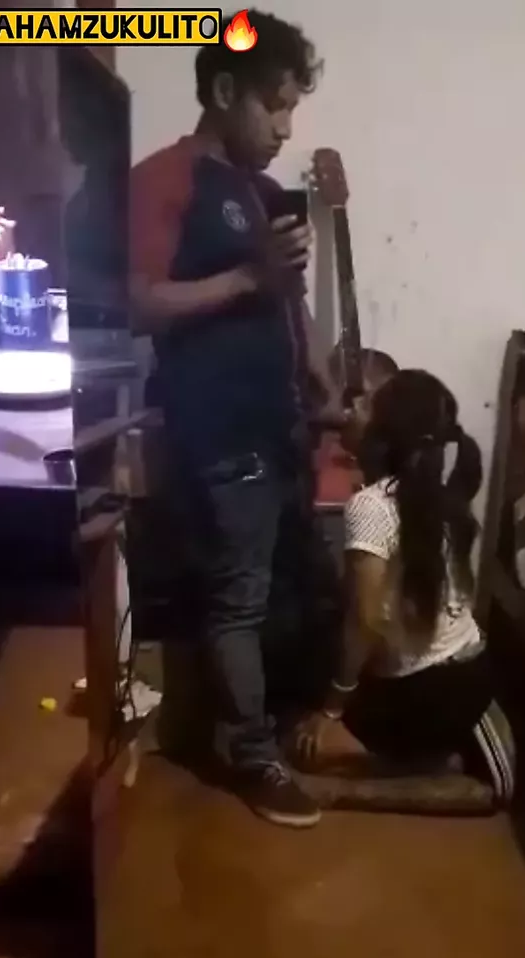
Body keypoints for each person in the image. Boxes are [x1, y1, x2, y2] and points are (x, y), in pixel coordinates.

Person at [130, 11, 342, 828]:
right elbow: (139, 304)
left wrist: (319, 378)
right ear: (224, 91)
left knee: (292, 590)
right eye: (274, 106)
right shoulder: (165, 178)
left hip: (278, 430)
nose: (286, 128)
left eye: (292, 110)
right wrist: (249, 278)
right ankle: (252, 758)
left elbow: (288, 302)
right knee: (240, 602)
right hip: (220, 435)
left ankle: (269, 730)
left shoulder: (260, 193)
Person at [295, 370, 515, 802]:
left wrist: (332, 708)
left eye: (365, 404)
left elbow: (365, 621)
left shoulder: (371, 505)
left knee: (302, 742)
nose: (351, 409)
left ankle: (398, 772)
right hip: (467, 673)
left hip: (425, 693)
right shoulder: (439, 494)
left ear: (384, 431)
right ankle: (429, 755)